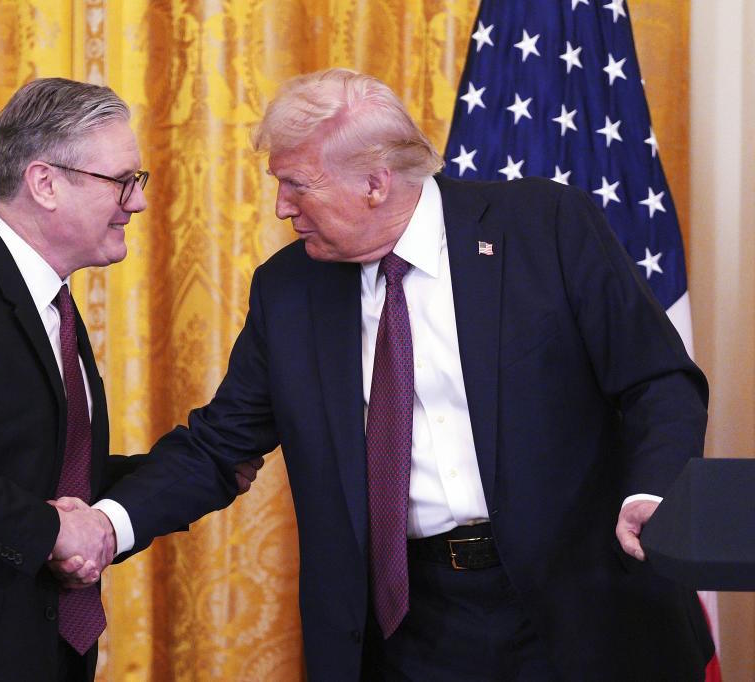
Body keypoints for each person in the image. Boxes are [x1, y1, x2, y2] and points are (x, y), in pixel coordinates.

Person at [91, 69, 714, 680]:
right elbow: (217, 446)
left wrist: (651, 493)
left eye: (296, 185)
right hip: (410, 630)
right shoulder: (289, 291)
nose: (282, 207)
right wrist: (106, 525)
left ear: (374, 183)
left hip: (585, 605)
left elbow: (657, 380)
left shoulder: (542, 225)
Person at [0, 78, 260, 682]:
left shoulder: (48, 300)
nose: (137, 202)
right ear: (45, 183)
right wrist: (57, 530)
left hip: (39, 647)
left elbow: (40, 471)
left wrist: (194, 472)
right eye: (123, 181)